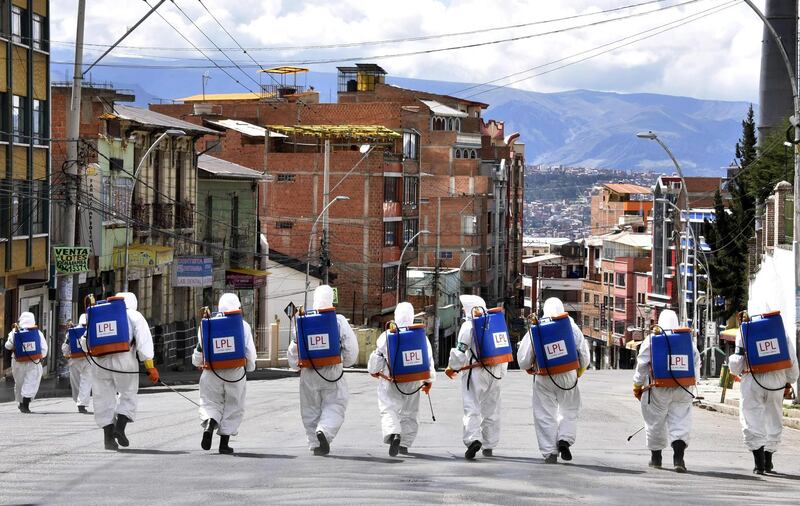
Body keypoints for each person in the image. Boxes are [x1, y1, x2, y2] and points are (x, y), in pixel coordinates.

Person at [287, 285, 359, 455]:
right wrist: (345, 362)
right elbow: (351, 348)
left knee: (310, 408)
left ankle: (314, 443)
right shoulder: (338, 320)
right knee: (336, 404)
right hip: (332, 371)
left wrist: (296, 365)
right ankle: (324, 432)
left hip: (309, 373)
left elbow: (294, 351)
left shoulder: (303, 320)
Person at [728, 304, 799, 474]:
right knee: (773, 417)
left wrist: (733, 369)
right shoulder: (780, 330)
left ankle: (758, 463)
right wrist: (790, 379)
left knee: (751, 418)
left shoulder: (745, 330)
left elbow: (738, 361)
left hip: (752, 380)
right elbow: (792, 359)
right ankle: (768, 461)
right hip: (776, 380)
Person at [517, 297, 589, 463]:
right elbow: (584, 353)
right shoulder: (570, 325)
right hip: (568, 373)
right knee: (569, 409)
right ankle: (565, 439)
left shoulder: (537, 327)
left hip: (544, 376)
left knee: (544, 413)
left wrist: (530, 367)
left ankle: (550, 452)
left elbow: (523, 359)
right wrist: (579, 371)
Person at [632, 310, 700, 472]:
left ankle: (656, 458)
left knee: (655, 421)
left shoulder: (652, 339)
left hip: (657, 388)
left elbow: (642, 364)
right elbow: (696, 362)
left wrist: (637, 385)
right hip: (682, 389)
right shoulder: (686, 341)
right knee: (681, 421)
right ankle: (679, 459)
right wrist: (692, 383)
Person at [89, 292, 159, 450]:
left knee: (103, 399)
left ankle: (108, 439)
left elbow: (85, 340)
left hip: (100, 362)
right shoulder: (135, 316)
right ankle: (119, 428)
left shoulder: (100, 313)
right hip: (125, 361)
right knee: (128, 394)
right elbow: (144, 342)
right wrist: (150, 367)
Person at [367, 302, 436, 456]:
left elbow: (377, 358)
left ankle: (393, 434)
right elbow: (428, 360)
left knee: (388, 408)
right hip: (412, 381)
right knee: (410, 412)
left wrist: (373, 370)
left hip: (391, 380)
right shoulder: (420, 337)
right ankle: (404, 443)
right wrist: (428, 381)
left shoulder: (387, 335)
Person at [192, 293, 257, 455]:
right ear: (237, 307)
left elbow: (200, 350)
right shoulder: (243, 326)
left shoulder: (206, 324)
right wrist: (249, 367)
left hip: (211, 371)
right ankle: (224, 444)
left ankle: (209, 424)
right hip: (235, 372)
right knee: (233, 406)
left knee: (210, 402)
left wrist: (197, 363)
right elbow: (250, 352)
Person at [445, 295, 508, 460]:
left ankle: (473, 439)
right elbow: (503, 350)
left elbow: (460, 351)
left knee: (472, 405)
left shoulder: (468, 326)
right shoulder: (495, 323)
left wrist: (453, 368)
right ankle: (489, 444)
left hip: (475, 372)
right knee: (492, 409)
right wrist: (500, 373)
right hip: (496, 371)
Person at [4, 312, 48, 413]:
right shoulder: (38, 333)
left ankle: (20, 402)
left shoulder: (15, 331)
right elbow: (44, 349)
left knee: (19, 383)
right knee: (31, 381)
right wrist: (39, 357)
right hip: (34, 361)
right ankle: (26, 403)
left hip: (17, 362)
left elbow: (8, 346)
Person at [62, 313, 92, 414]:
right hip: (88, 360)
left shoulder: (71, 332)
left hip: (74, 360)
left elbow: (66, 346)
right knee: (86, 382)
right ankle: (81, 403)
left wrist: (66, 355)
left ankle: (78, 401)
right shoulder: (91, 330)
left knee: (75, 382)